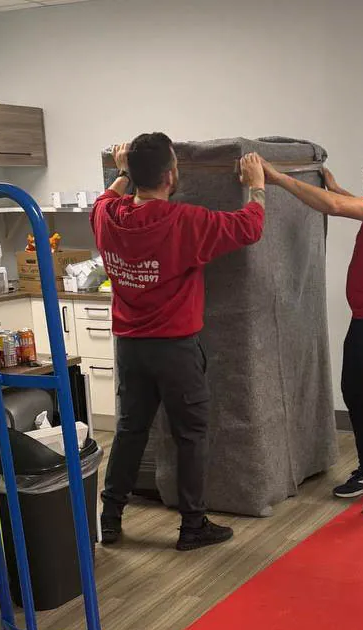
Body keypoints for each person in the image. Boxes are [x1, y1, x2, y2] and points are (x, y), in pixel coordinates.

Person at [90, 134, 266, 549]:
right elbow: (251, 226)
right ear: (171, 175)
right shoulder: (186, 221)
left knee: (130, 431)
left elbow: (105, 198)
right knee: (190, 436)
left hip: (131, 348)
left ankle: (110, 519)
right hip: (175, 350)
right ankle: (192, 526)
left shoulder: (106, 216)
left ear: (133, 176)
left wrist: (120, 173)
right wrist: (256, 185)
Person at [260, 132, 363, 515]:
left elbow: (333, 207)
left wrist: (277, 177)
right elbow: (349, 203)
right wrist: (340, 190)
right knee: (355, 393)